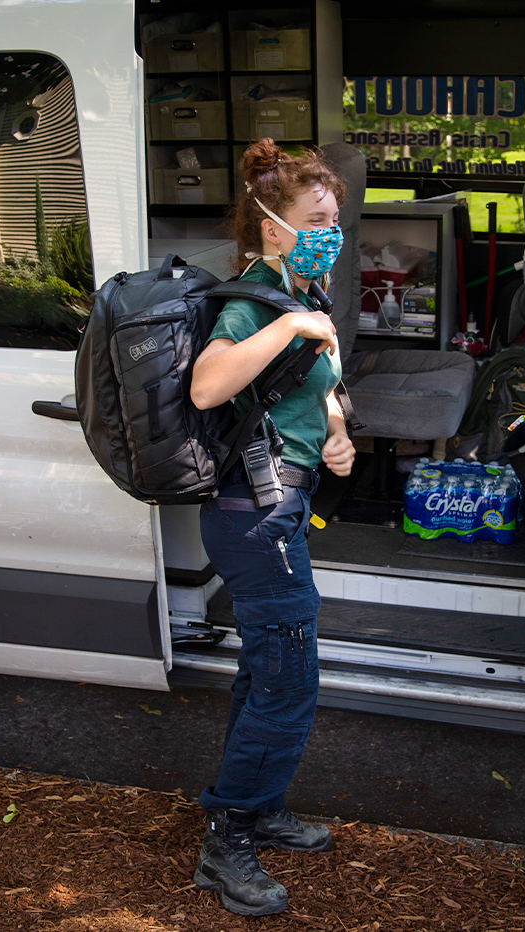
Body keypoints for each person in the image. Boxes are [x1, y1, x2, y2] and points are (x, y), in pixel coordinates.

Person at [185, 139, 355, 917]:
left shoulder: (301, 287)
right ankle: (227, 840)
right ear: (268, 227)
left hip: (279, 504)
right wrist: (292, 328)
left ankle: (256, 804)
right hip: (252, 518)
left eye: (334, 214)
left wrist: (332, 429)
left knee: (267, 670)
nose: (331, 226)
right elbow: (212, 384)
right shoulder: (255, 299)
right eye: (315, 217)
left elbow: (307, 392)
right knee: (289, 679)